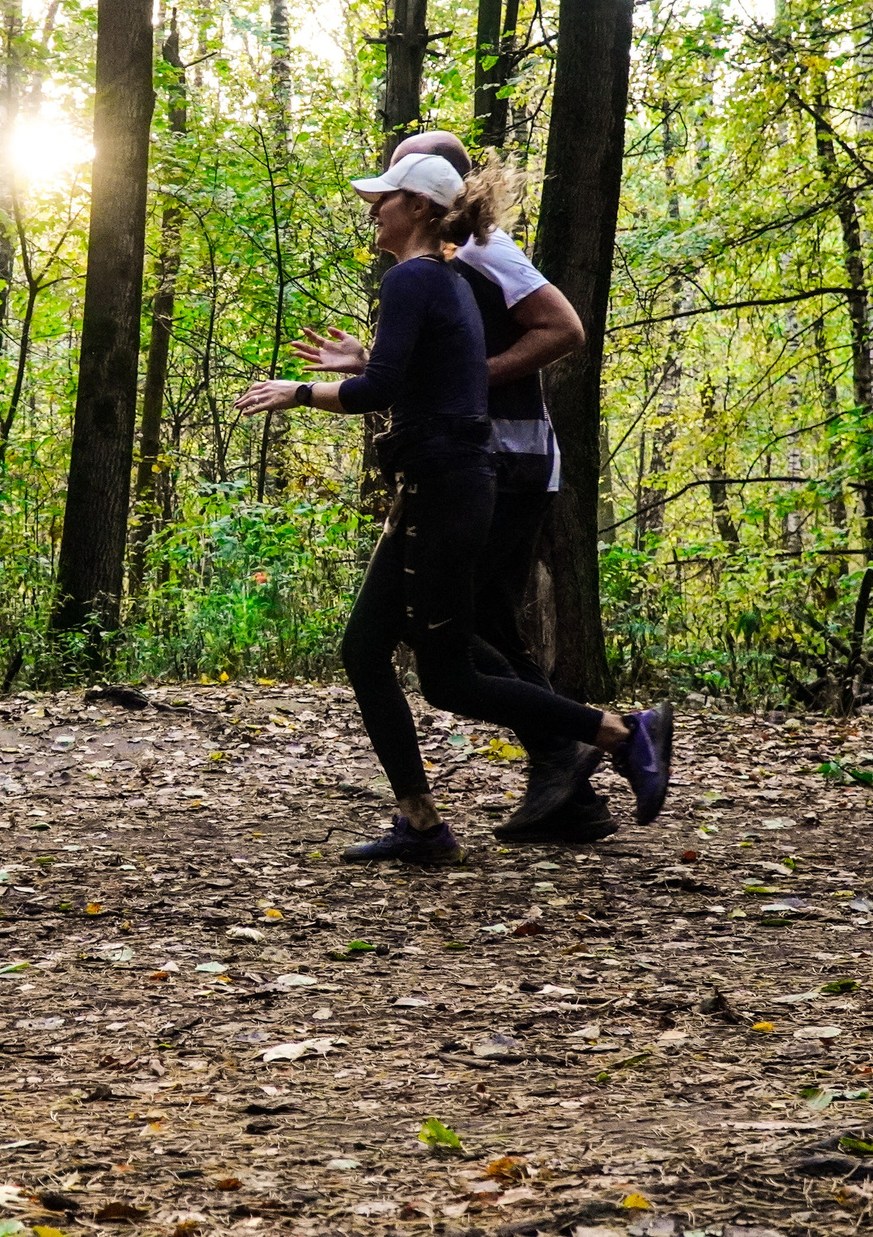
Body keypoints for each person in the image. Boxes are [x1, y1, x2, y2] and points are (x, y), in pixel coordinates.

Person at [239, 152, 672, 863]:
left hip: (447, 488)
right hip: (441, 486)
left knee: (450, 674)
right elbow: (424, 376)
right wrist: (373, 361)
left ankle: (624, 734)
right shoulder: (439, 280)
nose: (372, 209)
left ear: (414, 206)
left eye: (383, 198)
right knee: (374, 652)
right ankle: (420, 822)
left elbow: (381, 392)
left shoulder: (415, 276)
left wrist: (297, 390)